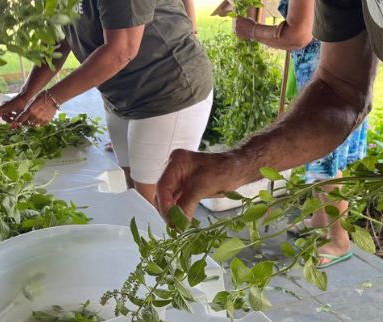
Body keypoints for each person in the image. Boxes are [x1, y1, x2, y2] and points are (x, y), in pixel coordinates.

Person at [156, 0, 377, 228]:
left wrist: (251, 30)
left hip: (309, 62)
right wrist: (233, 164)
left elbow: (299, 34)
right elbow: (341, 89)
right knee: (322, 167)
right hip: (314, 72)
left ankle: (336, 234)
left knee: (326, 168)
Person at [0, 0, 214, 206]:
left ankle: (171, 241)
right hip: (121, 93)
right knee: (133, 188)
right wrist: (25, 96)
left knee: (155, 203)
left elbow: (122, 49)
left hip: (168, 90)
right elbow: (59, 35)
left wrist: (51, 100)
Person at [232, 0, 368, 268]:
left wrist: (251, 30)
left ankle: (340, 240)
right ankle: (320, 219)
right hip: (331, 66)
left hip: (328, 73)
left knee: (324, 161)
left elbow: (298, 34)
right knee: (319, 156)